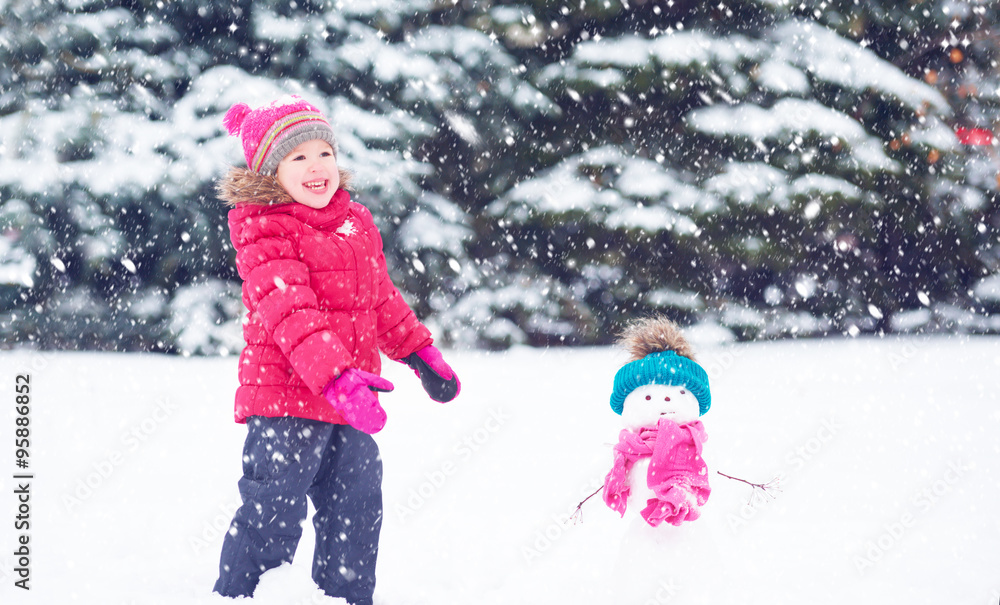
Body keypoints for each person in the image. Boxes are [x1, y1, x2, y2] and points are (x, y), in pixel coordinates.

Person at [212, 96, 460, 605]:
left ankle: (346, 599)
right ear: (270, 172)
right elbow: (290, 309)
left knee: (356, 512)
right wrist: (336, 378)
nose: (316, 166)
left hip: (351, 407)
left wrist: (419, 353)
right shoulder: (264, 227)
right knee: (271, 514)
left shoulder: (354, 222)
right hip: (284, 402)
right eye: (297, 157)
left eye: (323, 152)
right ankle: (239, 597)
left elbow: (380, 299)